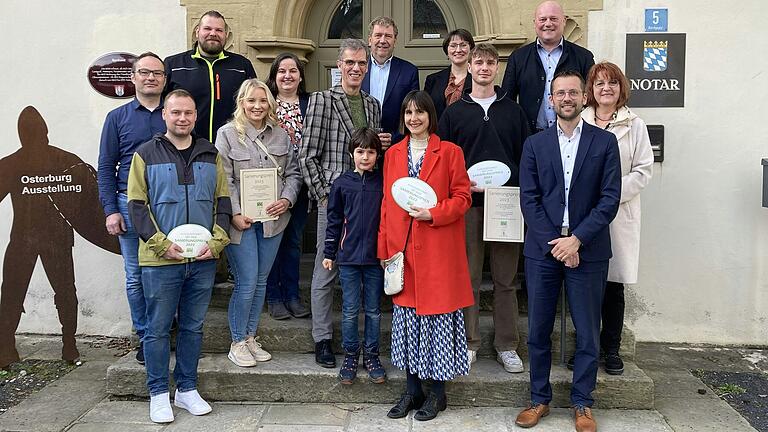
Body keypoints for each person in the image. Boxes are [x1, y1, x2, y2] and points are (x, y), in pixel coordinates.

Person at [515, 71, 620, 432]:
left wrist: (577, 239)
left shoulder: (605, 143)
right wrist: (557, 244)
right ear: (551, 99)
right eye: (560, 93)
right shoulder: (535, 144)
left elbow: (609, 199)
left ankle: (582, 403)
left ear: (583, 97)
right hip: (543, 250)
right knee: (538, 329)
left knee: (589, 331)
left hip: (587, 250)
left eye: (573, 92)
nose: (567, 98)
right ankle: (538, 399)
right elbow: (528, 200)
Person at [127, 89, 232, 423]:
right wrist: (160, 244)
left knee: (193, 327)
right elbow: (137, 207)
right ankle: (158, 393)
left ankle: (186, 389)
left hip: (201, 261)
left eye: (188, 113)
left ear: (195, 116)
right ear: (165, 115)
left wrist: (216, 243)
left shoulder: (210, 154)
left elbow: (223, 203)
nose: (182, 118)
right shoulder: (145, 155)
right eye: (176, 113)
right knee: (157, 329)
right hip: (161, 261)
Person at [0, 107, 120, 369]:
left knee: (26, 292)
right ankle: (58, 345)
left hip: (37, 238)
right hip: (35, 239)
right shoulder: (63, 160)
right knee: (35, 292)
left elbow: (92, 199)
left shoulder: (18, 163)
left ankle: (58, 344)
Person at [380, 90, 473, 422]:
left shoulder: (449, 152)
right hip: (402, 252)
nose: (413, 118)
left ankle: (437, 394)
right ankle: (412, 389)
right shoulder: (392, 154)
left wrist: (434, 212)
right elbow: (386, 204)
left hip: (438, 252)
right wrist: (384, 249)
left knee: (436, 325)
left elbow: (463, 198)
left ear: (431, 116)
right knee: (407, 326)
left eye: (420, 112)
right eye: (408, 112)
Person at [437, 43, 530, 373]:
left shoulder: (513, 111)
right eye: (479, 62)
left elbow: (525, 156)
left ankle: (507, 345)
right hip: (469, 205)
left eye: (491, 62)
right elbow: (444, 159)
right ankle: (469, 342)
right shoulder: (454, 112)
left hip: (506, 204)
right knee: (469, 277)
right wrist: (461, 184)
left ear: (497, 67)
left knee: (506, 280)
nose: (485, 67)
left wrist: (510, 180)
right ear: (470, 66)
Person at [299, 38, 382, 369]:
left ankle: (365, 345)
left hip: (367, 199)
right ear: (339, 66)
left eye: (362, 63)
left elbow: (371, 150)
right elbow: (306, 154)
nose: (356, 68)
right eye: (350, 63)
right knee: (325, 269)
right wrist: (323, 194)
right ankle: (322, 338)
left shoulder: (373, 104)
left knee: (364, 266)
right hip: (334, 198)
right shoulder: (322, 100)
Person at [215, 79, 303, 367]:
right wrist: (235, 213)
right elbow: (223, 180)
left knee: (262, 280)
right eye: (251, 100)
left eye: (262, 101)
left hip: (273, 221)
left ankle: (251, 337)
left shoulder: (280, 135)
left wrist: (287, 200)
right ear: (242, 102)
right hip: (241, 222)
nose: (257, 106)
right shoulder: (227, 135)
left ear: (270, 104)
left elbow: (294, 174)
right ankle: (237, 340)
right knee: (247, 280)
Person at [577, 61, 654, 375]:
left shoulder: (635, 125)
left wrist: (609, 193)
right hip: (584, 213)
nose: (605, 88)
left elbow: (642, 171)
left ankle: (611, 349)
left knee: (613, 286)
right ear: (590, 92)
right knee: (585, 285)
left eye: (611, 83)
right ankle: (586, 348)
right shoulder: (579, 121)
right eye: (599, 84)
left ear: (621, 88)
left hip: (618, 214)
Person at [97, 52, 167, 365]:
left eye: (157, 73)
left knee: (169, 271)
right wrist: (111, 209)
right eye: (144, 72)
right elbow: (106, 165)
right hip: (129, 204)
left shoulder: (175, 112)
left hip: (169, 205)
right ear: (134, 77)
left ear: (164, 79)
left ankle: (165, 330)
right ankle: (145, 335)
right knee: (136, 275)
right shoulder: (118, 118)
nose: (151, 77)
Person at [322, 128, 385, 385]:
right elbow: (334, 220)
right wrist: (329, 252)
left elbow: (388, 220)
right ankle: (350, 354)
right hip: (347, 258)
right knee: (349, 310)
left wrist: (387, 251)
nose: (365, 157)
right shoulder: (341, 184)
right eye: (360, 151)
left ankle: (371, 355)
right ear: (351, 154)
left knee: (373, 310)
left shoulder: (382, 183)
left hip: (375, 259)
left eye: (371, 152)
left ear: (377, 156)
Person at [264, 52, 312, 320]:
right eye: (281, 71)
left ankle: (292, 295)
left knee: (293, 241)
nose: (287, 76)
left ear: (300, 76)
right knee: (272, 240)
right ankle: (274, 296)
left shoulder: (310, 103)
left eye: (293, 71)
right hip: (268, 183)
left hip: (301, 183)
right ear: (274, 76)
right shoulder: (265, 102)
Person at [501, 1, 595, 133]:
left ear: (564, 21)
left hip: (573, 135)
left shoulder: (583, 57)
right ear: (535, 23)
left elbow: (592, 99)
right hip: (530, 138)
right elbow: (507, 102)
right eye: (542, 19)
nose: (548, 23)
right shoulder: (518, 58)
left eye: (553, 19)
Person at [164, 10, 257, 143]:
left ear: (226, 34)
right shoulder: (173, 65)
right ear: (197, 32)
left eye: (219, 30)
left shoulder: (242, 66)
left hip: (233, 146)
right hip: (186, 146)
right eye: (207, 28)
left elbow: (254, 103)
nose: (213, 34)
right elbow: (161, 105)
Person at [362, 16, 419, 145]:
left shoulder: (409, 71)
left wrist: (394, 138)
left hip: (396, 145)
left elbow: (412, 111)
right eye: (378, 35)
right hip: (360, 147)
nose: (383, 40)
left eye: (388, 36)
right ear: (370, 40)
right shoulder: (357, 68)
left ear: (395, 41)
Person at [424, 29, 474, 120]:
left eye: (463, 45)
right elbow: (426, 111)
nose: (458, 50)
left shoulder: (478, 80)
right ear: (447, 51)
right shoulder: (432, 80)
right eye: (453, 46)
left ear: (470, 49)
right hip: (438, 133)